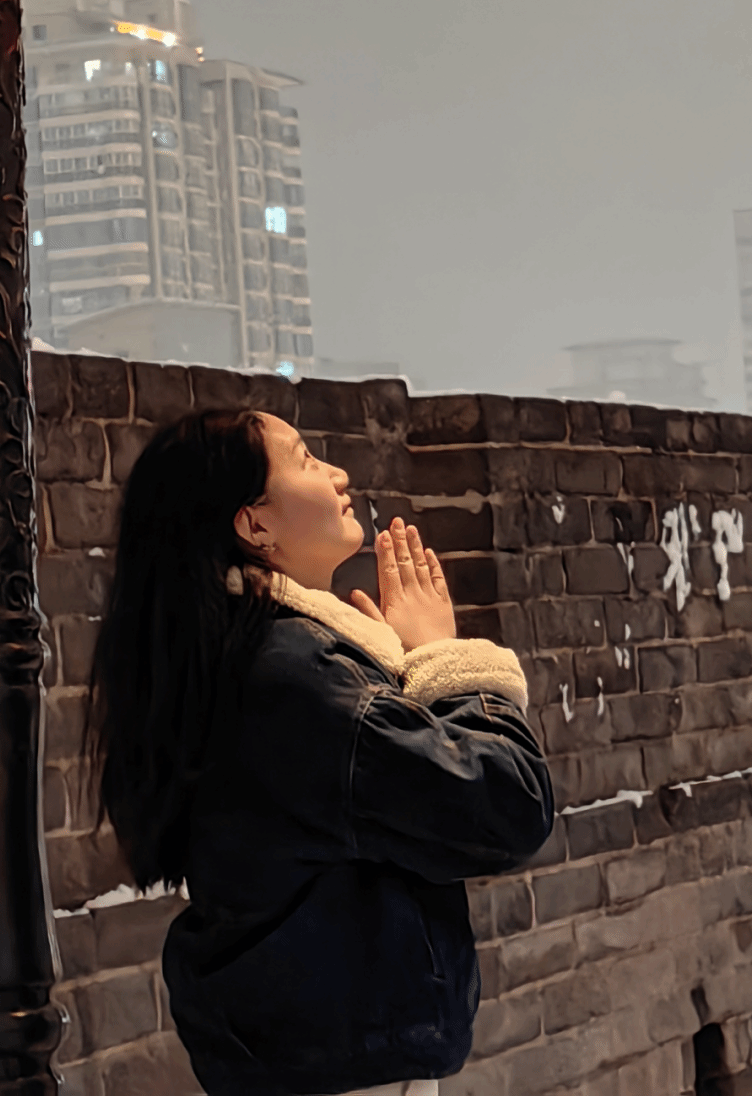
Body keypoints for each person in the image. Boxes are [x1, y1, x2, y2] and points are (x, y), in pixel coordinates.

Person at [82, 407, 555, 1096]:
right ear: (254, 526)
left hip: (301, 1058)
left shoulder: (237, 655)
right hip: (347, 1065)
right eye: (304, 459)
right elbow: (508, 805)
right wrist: (442, 658)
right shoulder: (292, 673)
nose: (337, 475)